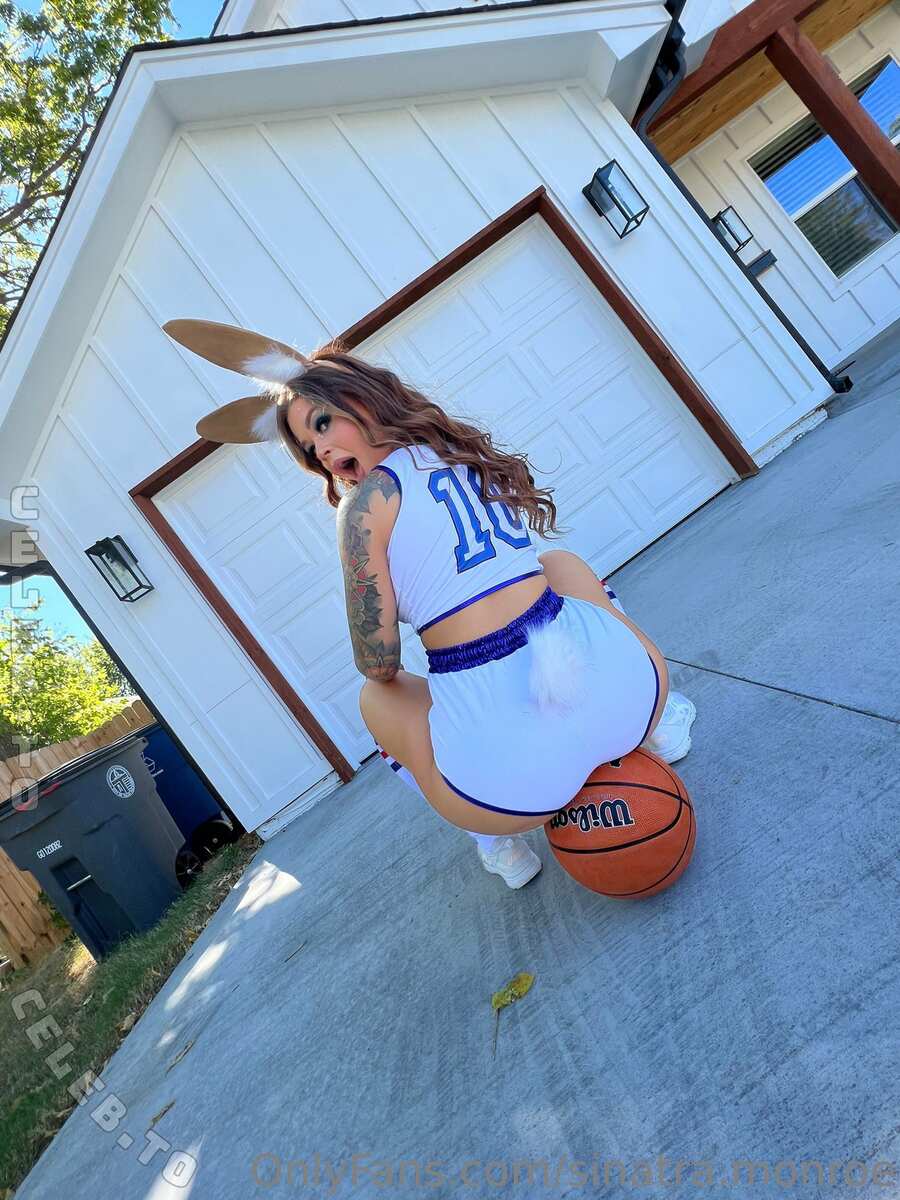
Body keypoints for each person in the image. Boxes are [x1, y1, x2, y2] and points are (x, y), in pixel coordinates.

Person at [163, 319, 697, 889]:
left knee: (376, 697)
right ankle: (661, 726)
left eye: (322, 424)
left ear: (361, 399)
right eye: (311, 449)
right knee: (561, 564)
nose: (322, 450)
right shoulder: (460, 452)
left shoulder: (365, 505)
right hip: (631, 699)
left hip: (512, 787)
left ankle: (498, 844)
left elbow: (378, 662)